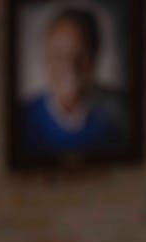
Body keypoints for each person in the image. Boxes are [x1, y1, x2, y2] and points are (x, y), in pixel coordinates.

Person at [19, 7, 129, 156]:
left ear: (94, 56)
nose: (70, 66)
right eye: (59, 56)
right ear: (46, 60)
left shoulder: (122, 112)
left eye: (80, 54)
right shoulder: (23, 118)